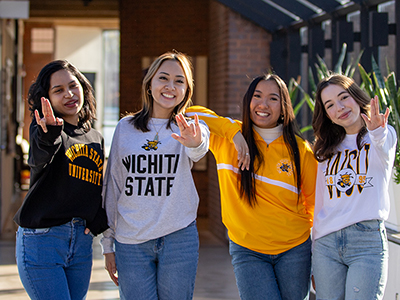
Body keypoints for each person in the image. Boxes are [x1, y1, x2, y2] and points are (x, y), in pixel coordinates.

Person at [186, 73, 317, 300]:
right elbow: (187, 113)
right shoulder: (227, 139)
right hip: (248, 250)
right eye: (257, 96)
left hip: (295, 249)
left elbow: (315, 205)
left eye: (273, 98)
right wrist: (233, 133)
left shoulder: (300, 149)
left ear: (284, 107)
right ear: (248, 101)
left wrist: (318, 255)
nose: (263, 104)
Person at [100, 51, 210, 300]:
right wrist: (108, 244)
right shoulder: (125, 128)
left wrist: (194, 142)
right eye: (163, 78)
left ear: (187, 90)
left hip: (179, 237)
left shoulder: (192, 126)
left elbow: (199, 150)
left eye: (179, 81)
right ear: (150, 84)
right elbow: (113, 185)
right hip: (131, 240)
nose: (171, 86)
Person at [14, 60, 109, 300]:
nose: (68, 94)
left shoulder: (95, 137)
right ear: (47, 98)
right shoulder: (44, 129)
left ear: (84, 89)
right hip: (43, 240)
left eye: (73, 86)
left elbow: (96, 186)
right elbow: (38, 157)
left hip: (81, 243)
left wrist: (98, 220)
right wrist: (49, 134)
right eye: (58, 90)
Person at [311, 74, 396, 299]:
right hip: (325, 245)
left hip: (366, 242)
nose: (339, 107)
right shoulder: (325, 149)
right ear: (326, 114)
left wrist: (377, 131)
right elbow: (320, 201)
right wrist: (313, 248)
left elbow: (384, 147)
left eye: (343, 97)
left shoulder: (381, 136)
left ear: (356, 97)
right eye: (330, 105)